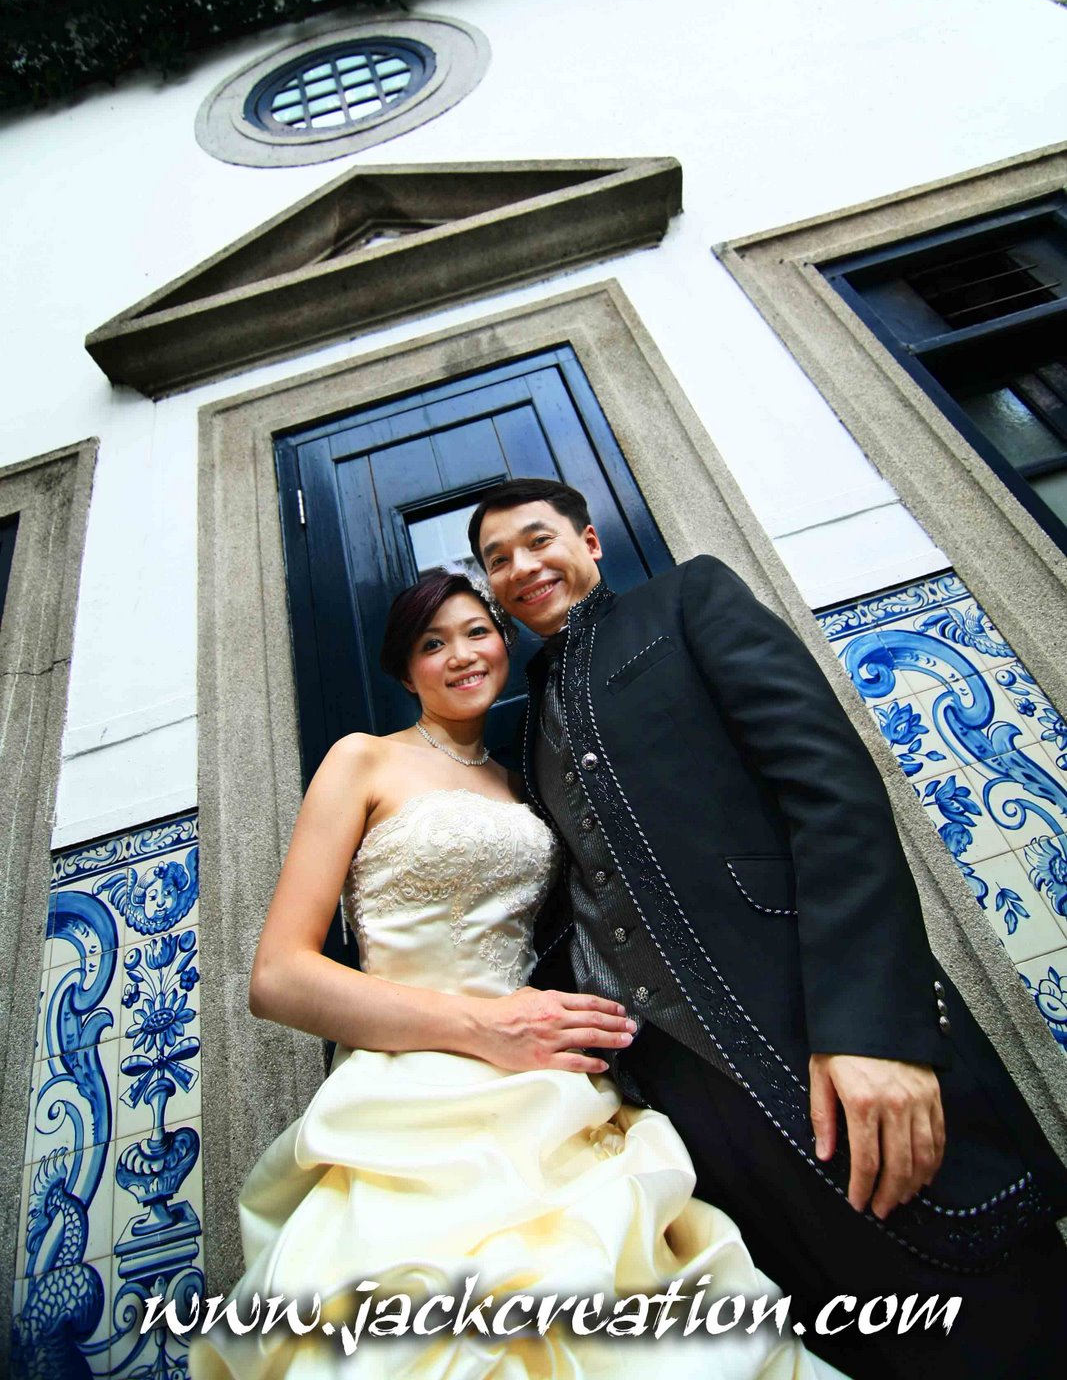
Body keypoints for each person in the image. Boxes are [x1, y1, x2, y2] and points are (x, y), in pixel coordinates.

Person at [468, 477, 1067, 1380]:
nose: (520, 566)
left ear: (588, 542)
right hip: (684, 1096)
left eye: (536, 539)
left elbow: (832, 793)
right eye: (497, 559)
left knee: (991, 1311)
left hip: (815, 1024)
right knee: (842, 1338)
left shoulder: (687, 600)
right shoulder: (523, 725)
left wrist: (875, 1028)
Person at [191, 568, 846, 1379]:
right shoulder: (362, 760)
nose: (461, 655)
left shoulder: (524, 780)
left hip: (545, 1084)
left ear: (504, 645)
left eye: (477, 632)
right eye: (432, 644)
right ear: (406, 673)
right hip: (413, 1088)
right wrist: (484, 1026)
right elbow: (278, 978)